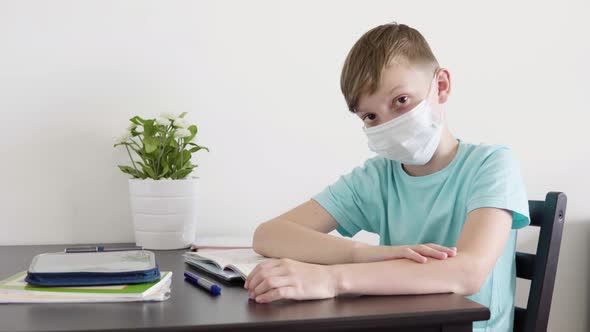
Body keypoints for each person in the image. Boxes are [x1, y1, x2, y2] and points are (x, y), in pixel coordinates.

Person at [246, 22, 530, 332]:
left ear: (442, 86)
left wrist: (332, 278)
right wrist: (368, 255)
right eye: (370, 116)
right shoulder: (379, 177)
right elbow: (269, 235)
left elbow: (468, 272)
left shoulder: (491, 164)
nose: (389, 123)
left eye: (401, 100)